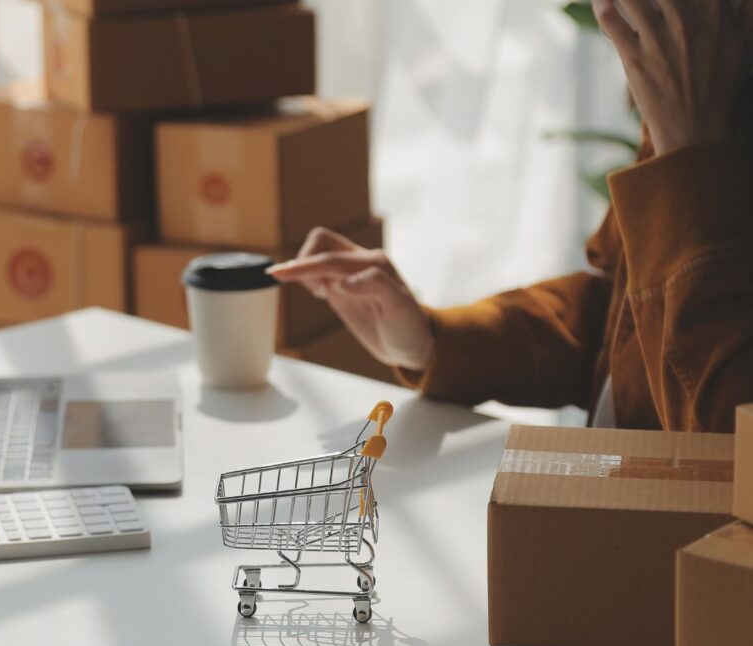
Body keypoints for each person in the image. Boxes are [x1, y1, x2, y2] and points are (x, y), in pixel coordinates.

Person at [268, 0, 753, 433]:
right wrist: (436, 341)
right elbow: (622, 328)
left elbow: (733, 457)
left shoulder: (700, 112)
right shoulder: (709, 88)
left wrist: (690, 157)